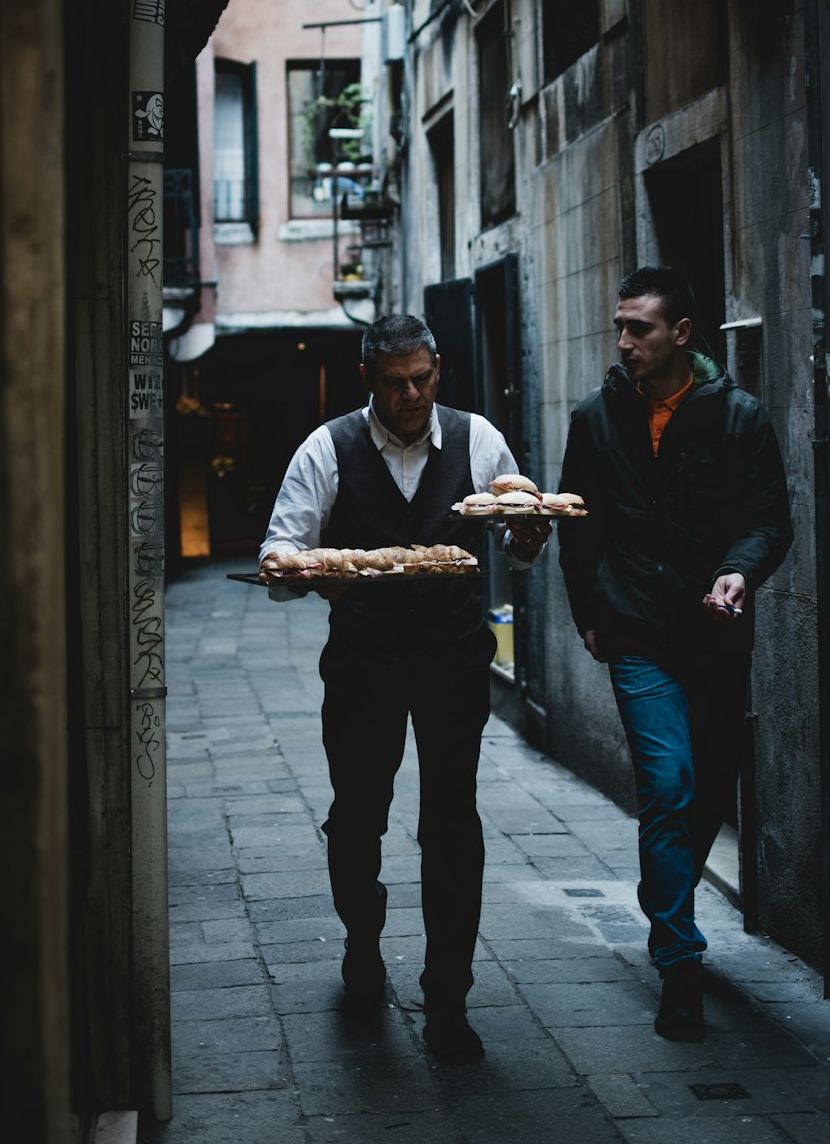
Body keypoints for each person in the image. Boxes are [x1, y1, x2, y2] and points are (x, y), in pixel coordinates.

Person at [260, 314, 550, 1065]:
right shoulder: (328, 448)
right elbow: (281, 550)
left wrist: (527, 535)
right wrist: (294, 568)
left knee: (453, 821)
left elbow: (518, 542)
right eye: (394, 383)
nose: (411, 394)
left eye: (421, 378)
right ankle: (362, 940)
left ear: (438, 367)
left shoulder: (478, 440)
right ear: (370, 381)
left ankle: (447, 996)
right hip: (363, 662)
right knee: (358, 816)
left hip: (454, 659)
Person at [557, 266, 793, 1041]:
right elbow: (577, 523)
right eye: (619, 326)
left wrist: (738, 569)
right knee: (668, 784)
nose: (622, 341)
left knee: (708, 796)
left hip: (715, 635)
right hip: (636, 634)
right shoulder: (596, 420)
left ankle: (666, 894)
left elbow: (769, 519)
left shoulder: (740, 418)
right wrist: (590, 612)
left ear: (681, 334)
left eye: (639, 328)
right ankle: (679, 963)